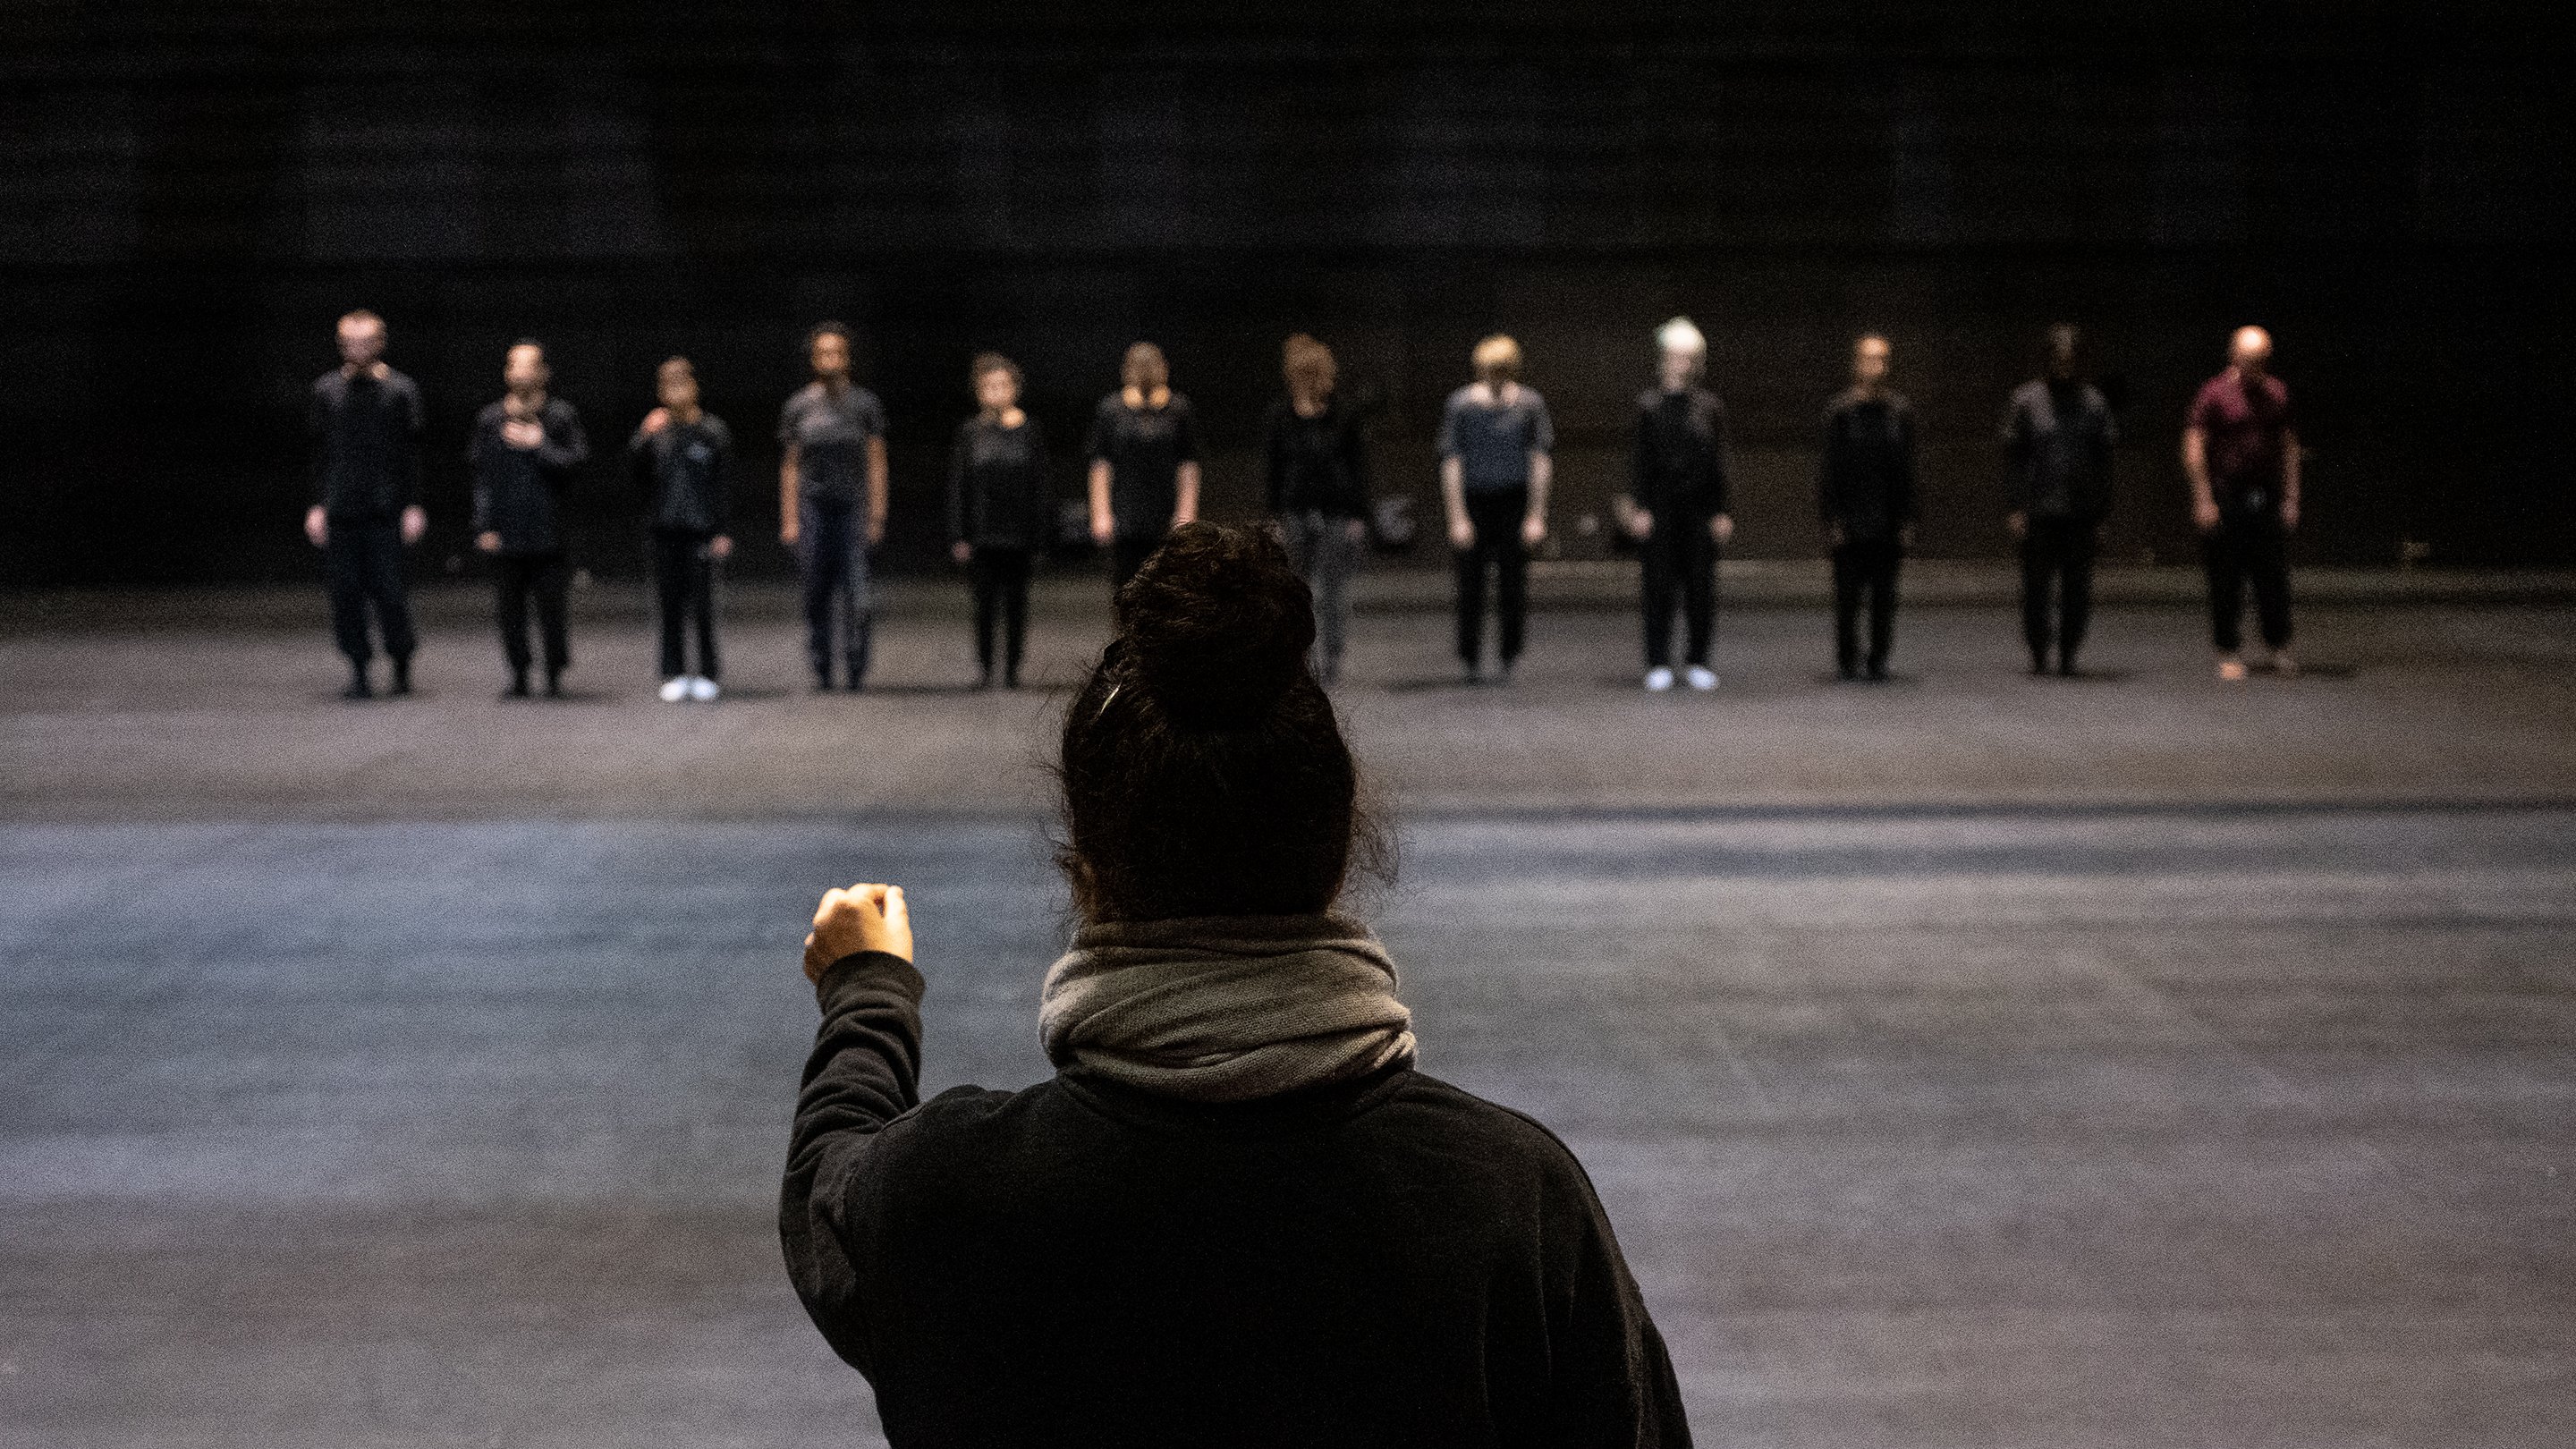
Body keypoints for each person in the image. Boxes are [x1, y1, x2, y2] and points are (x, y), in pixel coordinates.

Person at [782, 523, 1690, 1448]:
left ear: (1084, 874)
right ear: (1335, 862)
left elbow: (829, 1185)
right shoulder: (1512, 1200)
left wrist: (869, 989)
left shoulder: (949, 1197)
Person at [305, 309, 427, 700]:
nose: (358, 348)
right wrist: (317, 505)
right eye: (351, 342)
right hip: (342, 508)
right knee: (345, 595)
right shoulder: (327, 391)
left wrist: (413, 505)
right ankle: (358, 667)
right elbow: (319, 454)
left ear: (380, 343)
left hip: (386, 509)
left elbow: (414, 453)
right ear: (342, 345)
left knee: (390, 592)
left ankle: (401, 660)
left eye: (366, 341)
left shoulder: (400, 391)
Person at [470, 340, 589, 699]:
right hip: (506, 531)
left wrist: (541, 444)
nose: (520, 372)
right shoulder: (490, 420)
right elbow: (482, 477)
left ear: (543, 373)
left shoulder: (560, 417)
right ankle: (519, 671)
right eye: (513, 365)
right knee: (510, 610)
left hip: (549, 531)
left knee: (552, 609)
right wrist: (484, 525)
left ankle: (554, 670)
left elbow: (577, 462)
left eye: (528, 365)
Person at [2183, 326, 2301, 680]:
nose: (2256, 366)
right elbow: (2194, 448)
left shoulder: (2277, 393)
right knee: (2226, 577)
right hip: (2226, 495)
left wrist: (2292, 496)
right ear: (2234, 356)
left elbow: (2290, 447)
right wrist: (2203, 498)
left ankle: (2278, 647)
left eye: (2262, 359)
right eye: (2250, 359)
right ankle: (2228, 649)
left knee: (2273, 577)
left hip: (2265, 496)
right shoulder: (2214, 393)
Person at [2002, 323, 2118, 676]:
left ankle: (2069, 652)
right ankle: (2039, 651)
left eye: (2070, 359)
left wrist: (2102, 515)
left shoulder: (2094, 403)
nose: (2064, 366)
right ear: (2048, 359)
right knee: (2036, 589)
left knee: (2077, 590)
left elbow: (2105, 464)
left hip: (2081, 513)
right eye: (2058, 358)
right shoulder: (2026, 401)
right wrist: (2015, 507)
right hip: (2039, 511)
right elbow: (2013, 460)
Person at [779, 322, 889, 691]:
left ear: (847, 358)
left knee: (859, 594)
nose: (831, 360)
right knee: (816, 591)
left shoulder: (864, 404)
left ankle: (856, 666)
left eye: (837, 353)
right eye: (823, 353)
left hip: (852, 508)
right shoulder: (799, 407)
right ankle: (822, 665)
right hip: (813, 509)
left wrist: (877, 513)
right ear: (814, 359)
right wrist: (790, 518)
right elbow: (791, 466)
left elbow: (876, 461)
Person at [1626, 318, 1734, 692]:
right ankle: (1657, 661)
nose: (1682, 364)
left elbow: (1720, 462)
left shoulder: (1709, 407)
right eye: (1676, 357)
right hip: (1660, 510)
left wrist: (1722, 510)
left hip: (1699, 510)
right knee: (1657, 587)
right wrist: (1640, 507)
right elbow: (1639, 461)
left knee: (1701, 588)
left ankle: (1698, 661)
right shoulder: (1649, 406)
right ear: (1664, 359)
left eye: (1689, 358)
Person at [1439, 334, 1553, 683]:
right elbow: (1451, 460)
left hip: (1513, 500)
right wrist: (1457, 516)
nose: (1496, 378)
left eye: (1503, 371)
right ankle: (1470, 655)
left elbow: (1540, 458)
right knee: (1470, 583)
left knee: (1512, 583)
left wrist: (1536, 514)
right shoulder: (1461, 405)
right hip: (1475, 500)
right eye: (1490, 371)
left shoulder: (1530, 404)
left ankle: (1509, 654)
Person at [1264, 334, 1372, 685]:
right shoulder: (1280, 415)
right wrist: (1273, 515)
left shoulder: (1344, 413)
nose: (1311, 382)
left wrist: (1358, 514)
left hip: (1336, 511)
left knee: (1331, 590)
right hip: (1294, 511)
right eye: (1303, 375)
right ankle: (1294, 658)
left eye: (1317, 374)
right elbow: (1273, 469)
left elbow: (1359, 466)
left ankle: (1332, 658)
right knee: (1293, 590)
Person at [631, 357, 733, 703]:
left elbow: (723, 484)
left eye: (682, 383)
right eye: (668, 385)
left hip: (701, 531)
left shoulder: (712, 431)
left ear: (694, 386)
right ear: (660, 391)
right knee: (669, 605)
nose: (676, 391)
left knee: (703, 606)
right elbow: (634, 477)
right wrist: (644, 436)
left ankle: (706, 672)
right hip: (664, 531)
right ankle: (674, 672)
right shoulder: (655, 433)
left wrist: (722, 531)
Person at [946, 352, 1050, 690]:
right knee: (984, 604)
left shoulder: (1030, 431)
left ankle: (1012, 670)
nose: (997, 391)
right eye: (990, 386)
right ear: (980, 391)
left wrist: (1040, 533)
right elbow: (959, 485)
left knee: (1017, 603)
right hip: (982, 532)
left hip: (1019, 533)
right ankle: (986, 668)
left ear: (1015, 389)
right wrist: (959, 534)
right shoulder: (970, 432)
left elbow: (1040, 485)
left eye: (1003, 385)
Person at [1818, 334, 1917, 682]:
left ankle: (1878, 658)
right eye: (1869, 359)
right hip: (1851, 518)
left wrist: (1907, 518)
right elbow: (1829, 469)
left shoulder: (1899, 413)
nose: (1876, 366)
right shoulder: (1841, 412)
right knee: (1847, 596)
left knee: (1884, 596)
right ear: (1856, 364)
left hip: (1887, 518)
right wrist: (1832, 517)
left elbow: (1908, 469)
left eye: (1882, 359)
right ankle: (1848, 658)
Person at [1086, 342, 1200, 591]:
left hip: (1164, 510)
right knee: (1127, 587)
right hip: (1125, 512)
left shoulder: (1178, 408)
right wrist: (1101, 512)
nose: (1145, 373)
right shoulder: (1112, 409)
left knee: (1167, 588)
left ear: (1164, 369)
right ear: (1127, 371)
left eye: (1151, 367)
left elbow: (1188, 464)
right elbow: (1101, 465)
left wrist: (1186, 511)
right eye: (1139, 367)